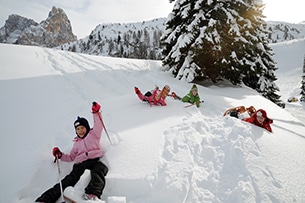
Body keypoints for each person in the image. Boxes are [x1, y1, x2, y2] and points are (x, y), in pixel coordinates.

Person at [35, 102, 108, 203]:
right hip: (81, 164)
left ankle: (92, 194)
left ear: (87, 127)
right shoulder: (76, 143)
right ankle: (45, 199)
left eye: (82, 128)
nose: (80, 131)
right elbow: (71, 157)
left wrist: (96, 113)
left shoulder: (93, 135)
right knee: (68, 180)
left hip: (95, 161)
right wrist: (60, 155)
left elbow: (98, 125)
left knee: (100, 169)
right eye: (78, 129)